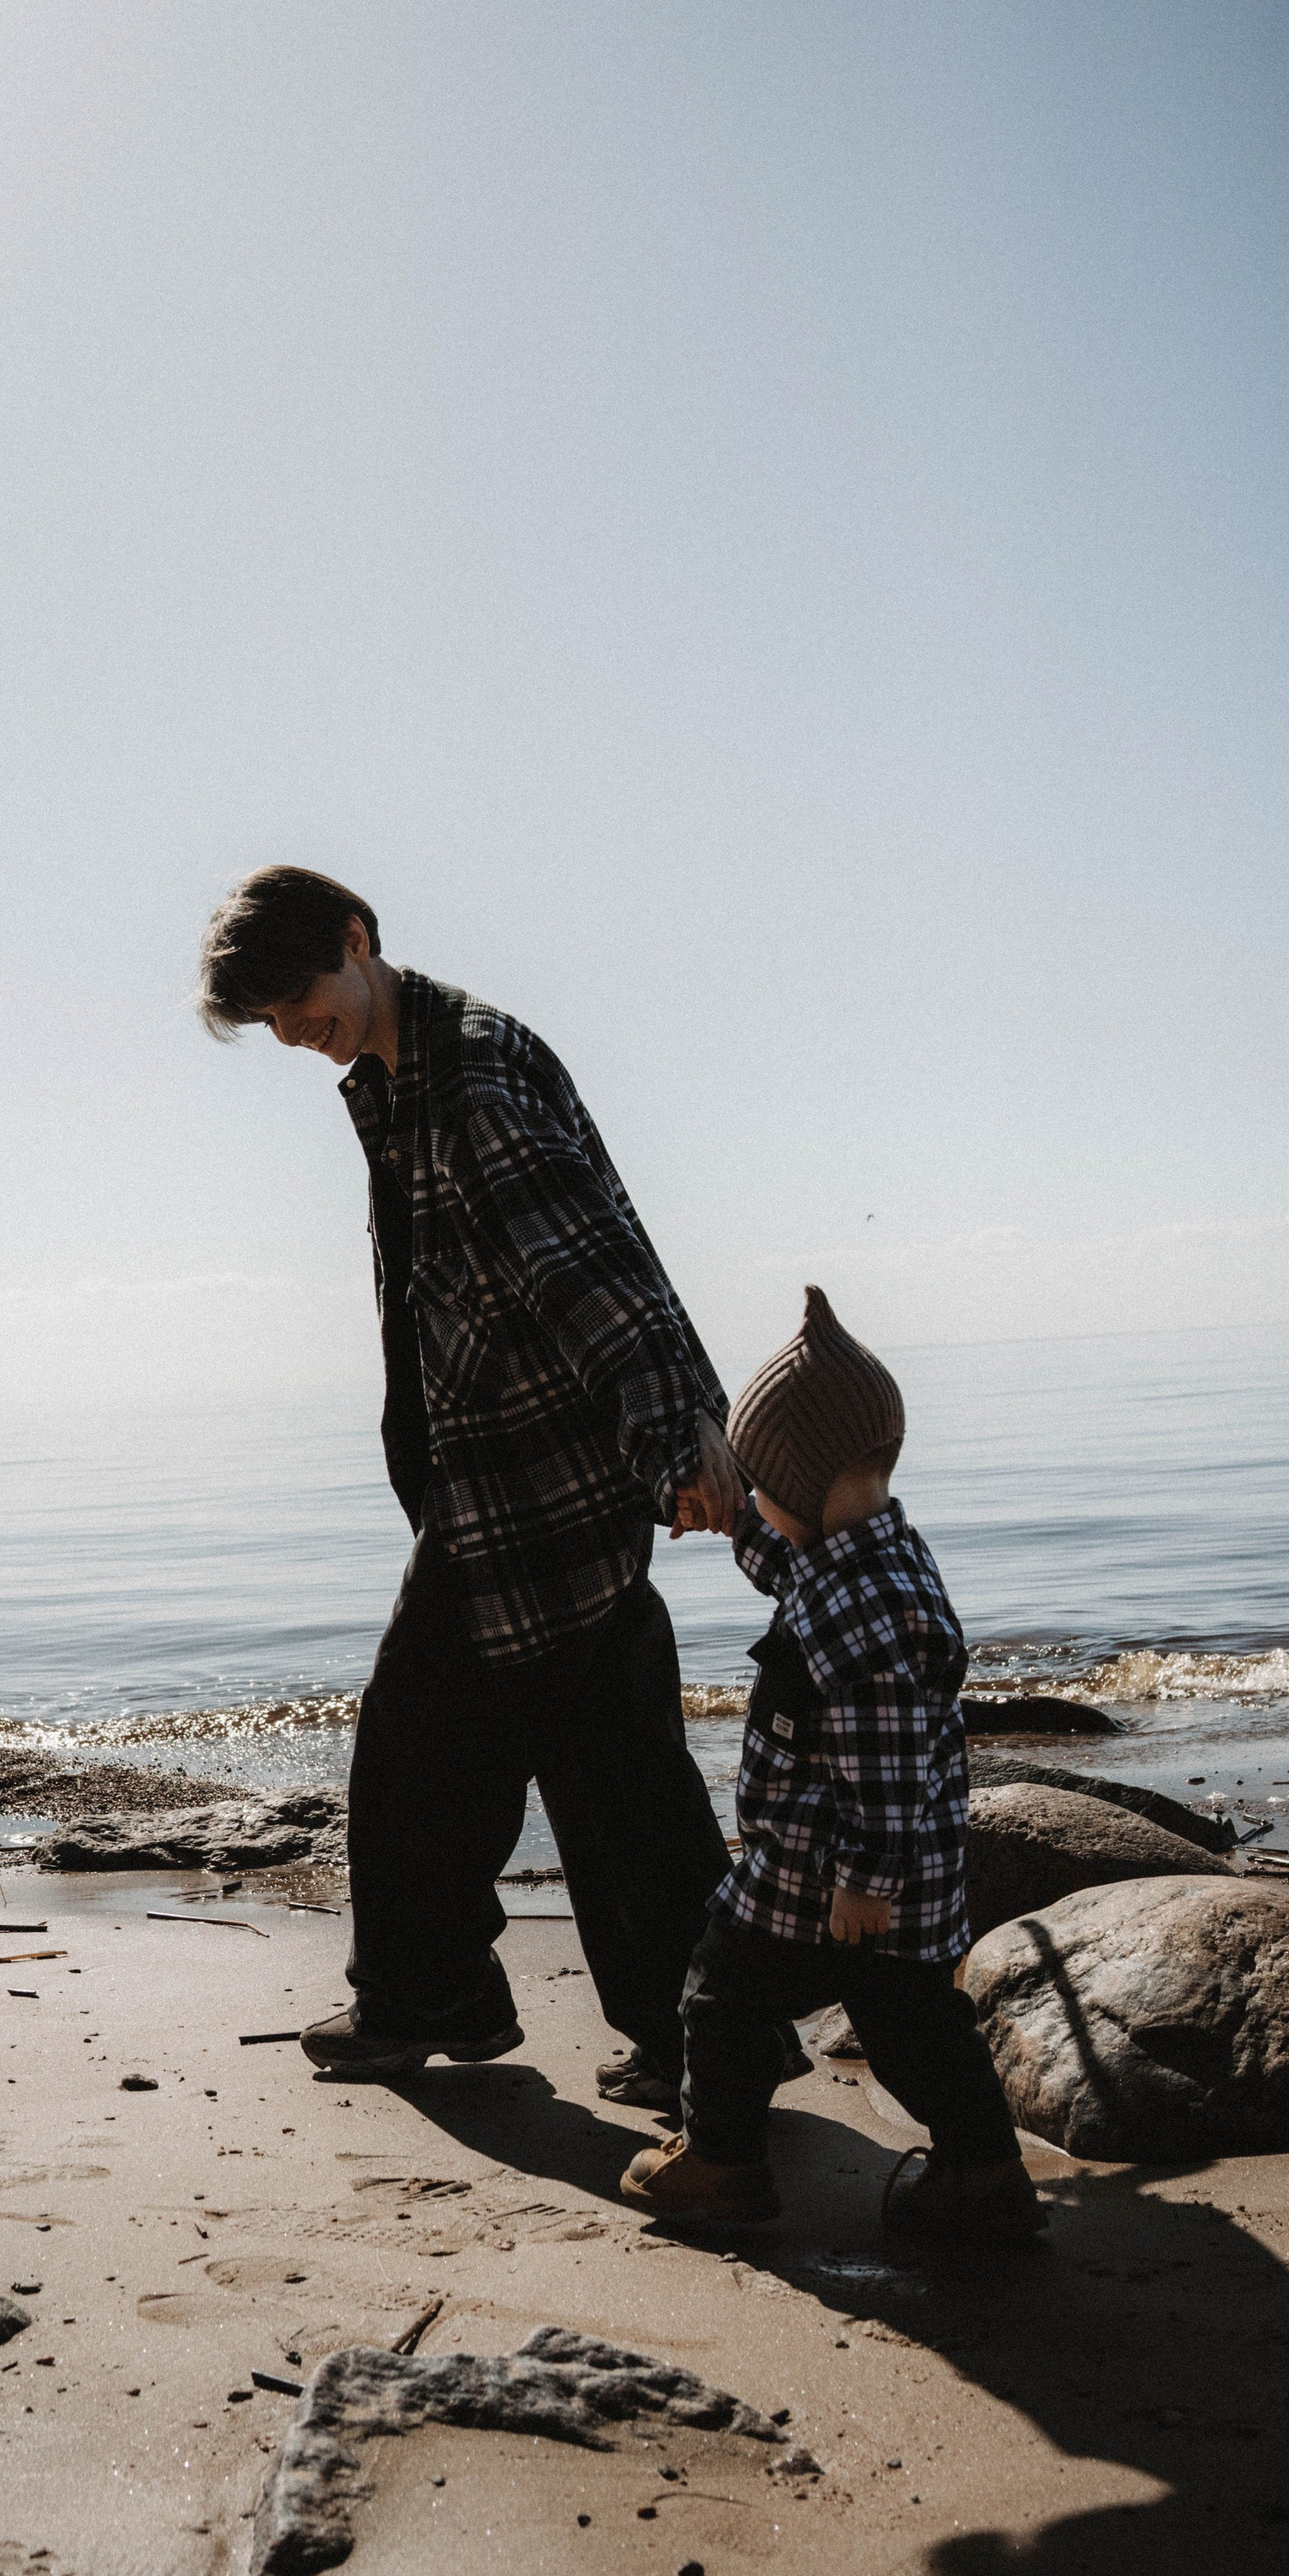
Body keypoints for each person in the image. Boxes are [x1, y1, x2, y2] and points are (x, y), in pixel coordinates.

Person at [196, 862, 759, 2106]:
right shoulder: (406, 1074)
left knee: (430, 1754)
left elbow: (593, 1270)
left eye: (295, 999)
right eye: (270, 1019)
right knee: (611, 1771)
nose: (289, 1032)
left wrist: (678, 1432)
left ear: (356, 938)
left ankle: (440, 1998)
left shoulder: (474, 1076)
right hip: (504, 1479)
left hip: (536, 1489)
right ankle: (701, 2036)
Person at [622, 1285, 1041, 2244]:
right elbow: (789, 1564)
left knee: (720, 1992)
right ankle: (983, 2169)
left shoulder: (862, 1610)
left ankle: (721, 2162)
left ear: (807, 1487)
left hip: (826, 1882)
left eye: (762, 1488)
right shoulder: (873, 1553)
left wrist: (861, 1882)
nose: (759, 1504)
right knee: (917, 2031)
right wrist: (732, 1521)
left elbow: (885, 1768)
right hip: (896, 1889)